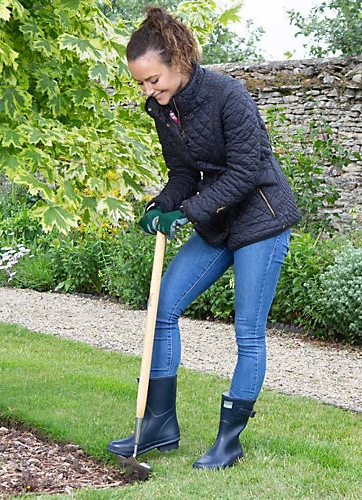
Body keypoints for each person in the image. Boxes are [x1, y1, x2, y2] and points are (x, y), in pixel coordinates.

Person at [107, 6, 301, 470]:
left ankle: (228, 443)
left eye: (153, 80)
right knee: (163, 308)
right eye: (141, 83)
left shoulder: (227, 94)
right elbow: (183, 174)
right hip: (218, 224)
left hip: (261, 219)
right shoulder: (163, 109)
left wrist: (187, 211)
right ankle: (160, 426)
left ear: (177, 61)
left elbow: (245, 171)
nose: (148, 91)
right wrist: (161, 204)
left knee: (247, 332)